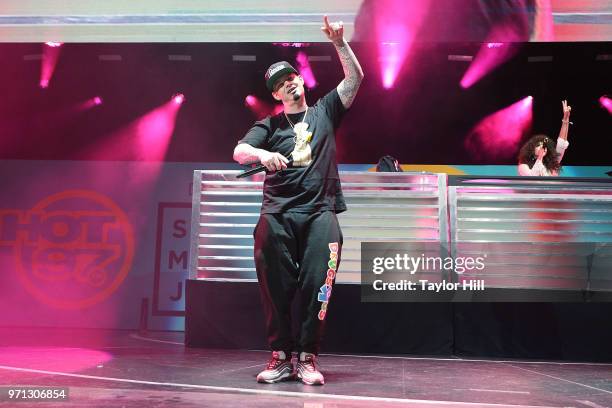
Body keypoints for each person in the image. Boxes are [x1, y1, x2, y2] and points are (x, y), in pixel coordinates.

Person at [232, 15, 363, 385]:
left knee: (317, 283)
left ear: (300, 80)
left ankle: (307, 357)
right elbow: (240, 151)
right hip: (277, 214)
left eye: (290, 77)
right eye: (280, 84)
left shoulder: (324, 112)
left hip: (320, 212)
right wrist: (262, 156)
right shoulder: (269, 126)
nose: (288, 84)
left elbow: (354, 81)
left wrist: (339, 43)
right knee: (274, 287)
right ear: (275, 95)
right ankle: (281, 356)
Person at [518, 100, 572, 176]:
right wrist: (539, 158)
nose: (541, 147)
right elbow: (532, 179)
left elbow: (561, 144)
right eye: (538, 145)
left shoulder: (552, 165)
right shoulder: (523, 166)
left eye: (543, 146)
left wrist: (566, 119)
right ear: (531, 150)